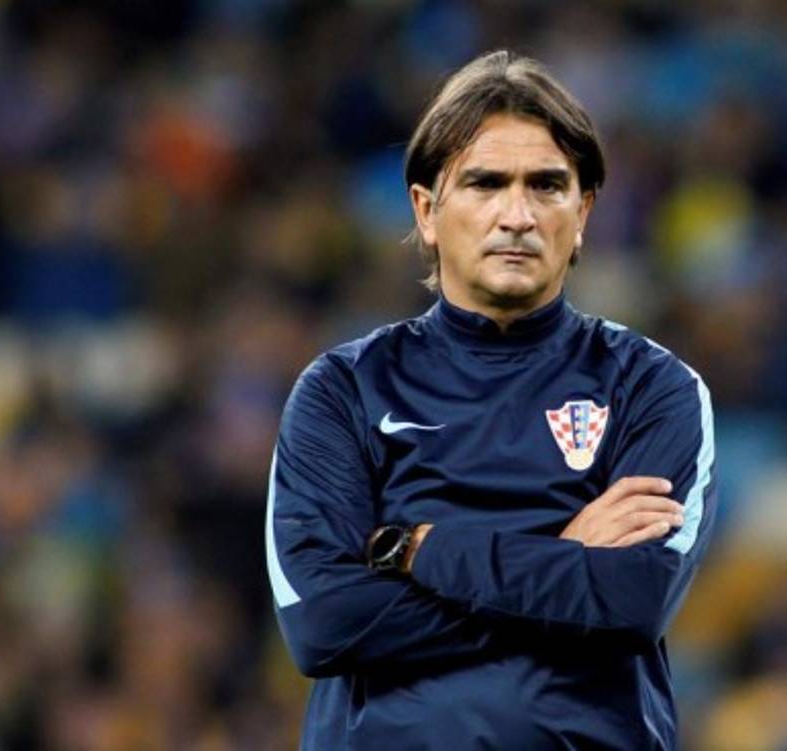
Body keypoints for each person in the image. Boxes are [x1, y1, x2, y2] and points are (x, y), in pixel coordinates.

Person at [265, 49, 717, 750]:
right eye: (485, 183)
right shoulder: (342, 390)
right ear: (427, 210)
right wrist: (563, 554)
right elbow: (326, 624)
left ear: (583, 212)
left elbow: (631, 600)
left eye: (547, 186)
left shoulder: (652, 388)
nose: (518, 215)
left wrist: (419, 549)